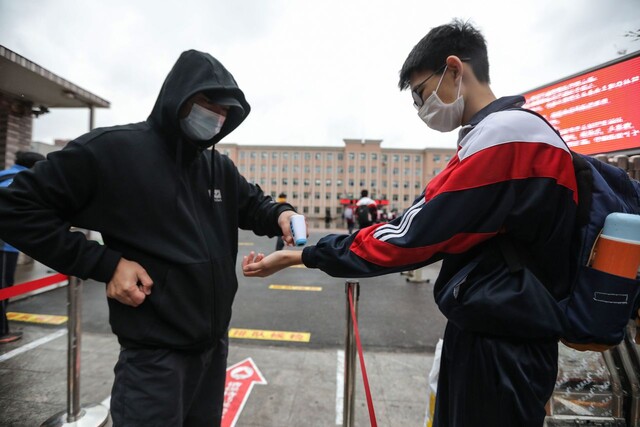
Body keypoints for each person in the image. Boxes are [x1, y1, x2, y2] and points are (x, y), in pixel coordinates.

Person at [243, 20, 580, 427]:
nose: (422, 109)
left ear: (455, 70)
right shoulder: (505, 133)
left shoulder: (506, 138)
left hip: (501, 347)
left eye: (422, 93)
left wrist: (303, 255)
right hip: (505, 332)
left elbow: (409, 236)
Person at [0, 50, 298, 426]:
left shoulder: (215, 165)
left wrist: (280, 214)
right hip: (154, 360)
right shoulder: (114, 151)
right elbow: (14, 208)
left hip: (213, 348)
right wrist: (105, 264)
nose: (216, 116)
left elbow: (253, 203)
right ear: (178, 98)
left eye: (224, 110)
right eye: (206, 102)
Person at [0, 151, 45, 344]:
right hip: (3, 245)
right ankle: (1, 332)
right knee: (2, 286)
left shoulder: (4, 174)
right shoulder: (18, 181)